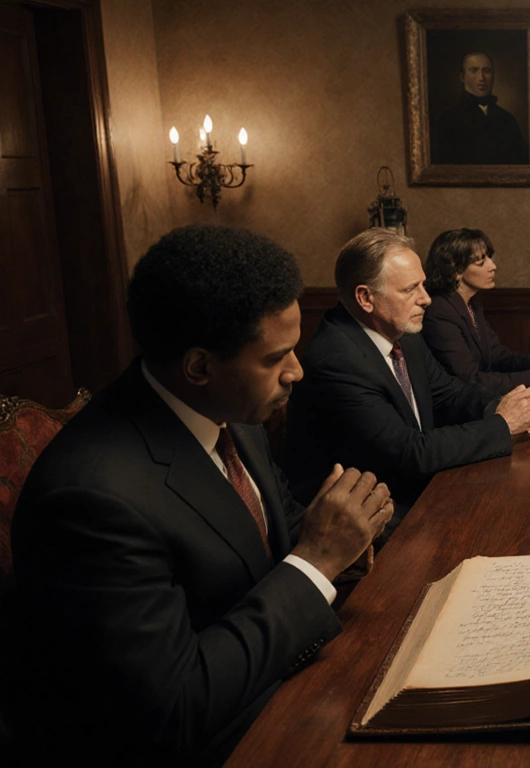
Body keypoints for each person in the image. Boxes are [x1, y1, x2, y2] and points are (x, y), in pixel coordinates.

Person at [6, 225, 394, 766]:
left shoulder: (233, 408)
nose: (297, 371)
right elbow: (173, 709)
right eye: (275, 357)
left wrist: (344, 542)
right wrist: (316, 562)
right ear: (199, 367)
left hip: (279, 686)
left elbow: (273, 536)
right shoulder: (90, 498)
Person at [283, 229, 530, 516]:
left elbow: (449, 392)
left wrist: (502, 407)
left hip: (412, 490)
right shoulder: (335, 359)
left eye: (423, 285)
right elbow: (410, 454)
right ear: (365, 298)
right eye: (410, 289)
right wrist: (503, 424)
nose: (426, 299)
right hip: (366, 517)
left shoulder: (402, 331)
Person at [421, 228, 530, 396]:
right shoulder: (438, 311)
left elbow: (497, 355)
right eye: (481, 261)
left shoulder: (472, 303)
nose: (493, 266)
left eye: (489, 257)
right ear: (456, 271)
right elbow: (469, 379)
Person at [430, 50, 529, 165]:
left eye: (486, 71)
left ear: (493, 76)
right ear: (462, 77)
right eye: (474, 70)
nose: (481, 78)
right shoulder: (446, 121)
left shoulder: (508, 120)